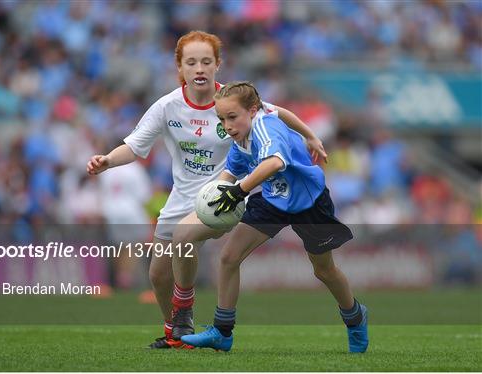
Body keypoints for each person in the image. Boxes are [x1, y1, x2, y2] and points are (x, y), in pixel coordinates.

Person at [86, 31, 328, 349]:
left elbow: (277, 112)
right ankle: (177, 335)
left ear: (217, 65)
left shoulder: (230, 102)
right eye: (191, 62)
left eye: (206, 61)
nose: (199, 68)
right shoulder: (167, 106)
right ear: (180, 68)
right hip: (180, 197)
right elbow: (133, 147)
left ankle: (184, 315)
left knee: (183, 239)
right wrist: (107, 160)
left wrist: (310, 135)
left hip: (222, 194)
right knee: (158, 274)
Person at [180, 81, 368, 353]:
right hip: (272, 199)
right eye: (222, 119)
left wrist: (238, 191)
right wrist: (213, 198)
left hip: (309, 201)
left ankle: (355, 316)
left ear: (253, 111)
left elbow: (275, 162)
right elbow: (229, 176)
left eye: (232, 117)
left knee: (324, 270)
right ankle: (222, 332)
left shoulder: (264, 126)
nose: (227, 125)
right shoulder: (240, 137)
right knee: (229, 257)